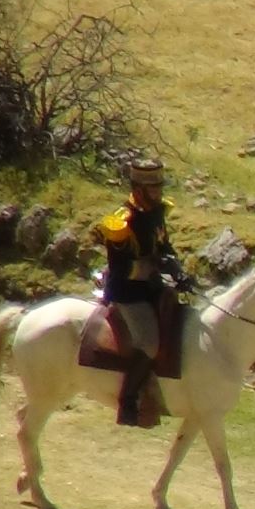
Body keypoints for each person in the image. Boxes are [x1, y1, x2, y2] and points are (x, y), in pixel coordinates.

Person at [94, 158, 193, 427]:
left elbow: (163, 246)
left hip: (151, 285)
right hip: (128, 291)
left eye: (160, 186)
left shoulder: (157, 212)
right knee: (149, 344)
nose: (159, 192)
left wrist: (177, 270)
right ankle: (128, 402)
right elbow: (121, 267)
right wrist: (154, 266)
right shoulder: (122, 222)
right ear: (138, 189)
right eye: (153, 188)